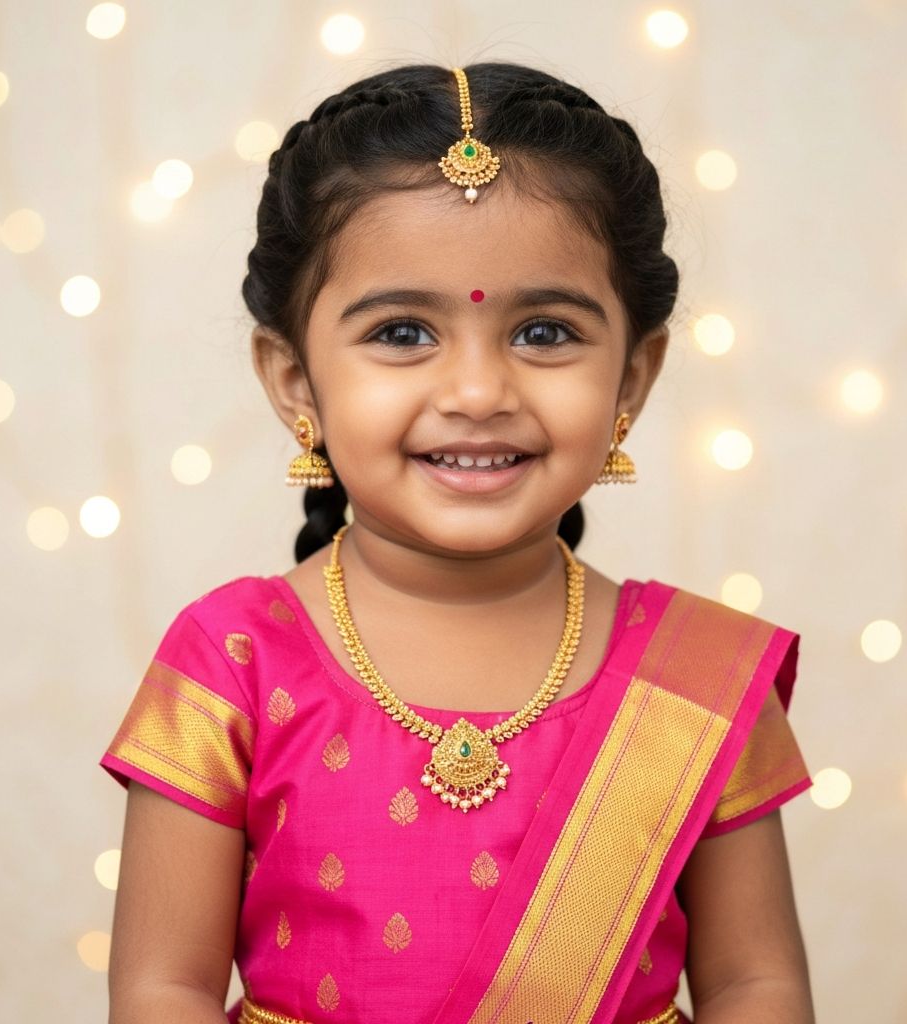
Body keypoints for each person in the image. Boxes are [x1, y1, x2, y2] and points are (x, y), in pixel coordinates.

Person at [100, 62, 816, 1024]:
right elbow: (162, 989)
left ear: (633, 380)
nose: (479, 393)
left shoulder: (697, 678)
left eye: (545, 332)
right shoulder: (232, 657)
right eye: (402, 331)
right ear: (295, 382)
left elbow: (753, 986)